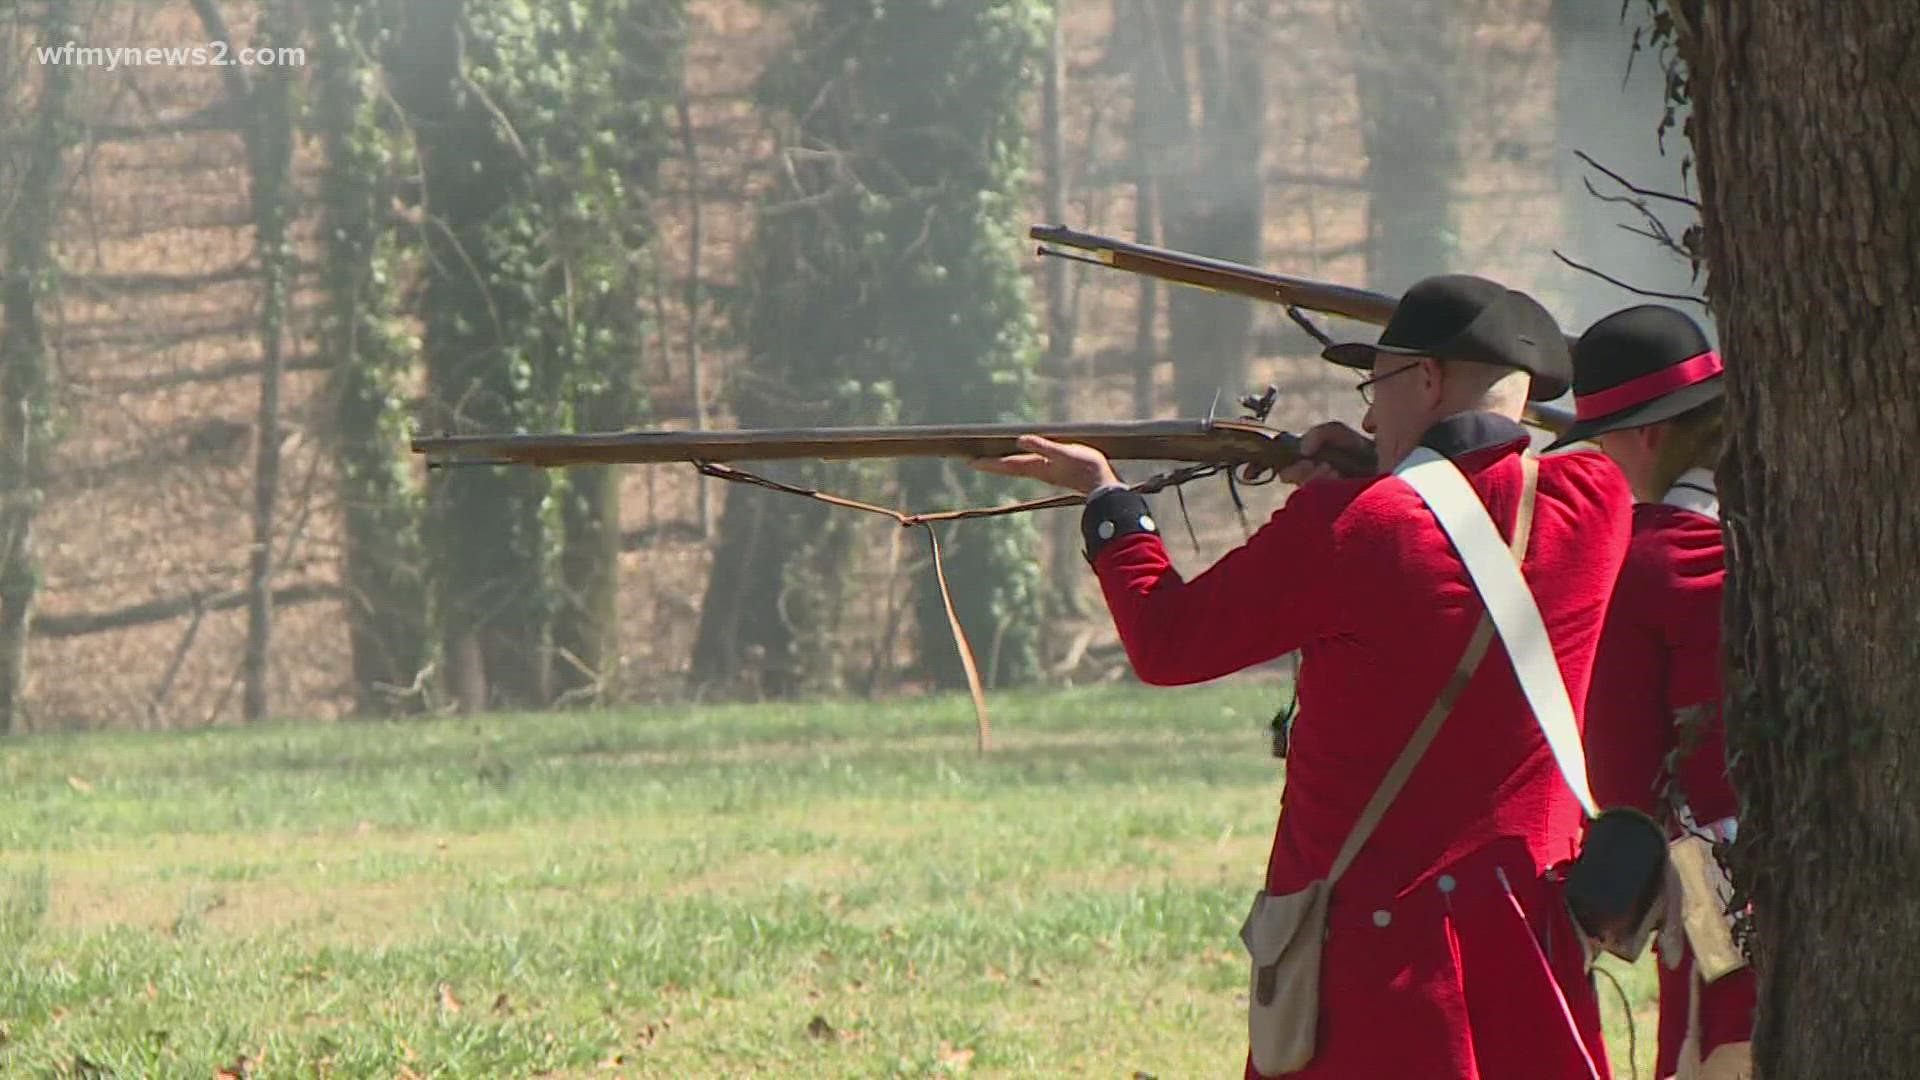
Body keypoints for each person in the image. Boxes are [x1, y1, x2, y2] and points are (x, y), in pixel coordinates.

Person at [975, 274, 1630, 1079]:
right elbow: (1475, 509)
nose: (1363, 414)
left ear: (1426, 379)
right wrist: (1385, 468)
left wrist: (1109, 502)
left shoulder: (1351, 526)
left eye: (1377, 385)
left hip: (1376, 971)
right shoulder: (1598, 498)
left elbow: (1167, 643)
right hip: (1534, 943)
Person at [1547, 305, 1754, 1080]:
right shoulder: (1772, 526)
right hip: (1795, 862)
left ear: (1647, 437)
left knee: (1712, 1056)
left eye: (1602, 439)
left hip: (1714, 885)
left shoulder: (1645, 559)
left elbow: (1630, 775)